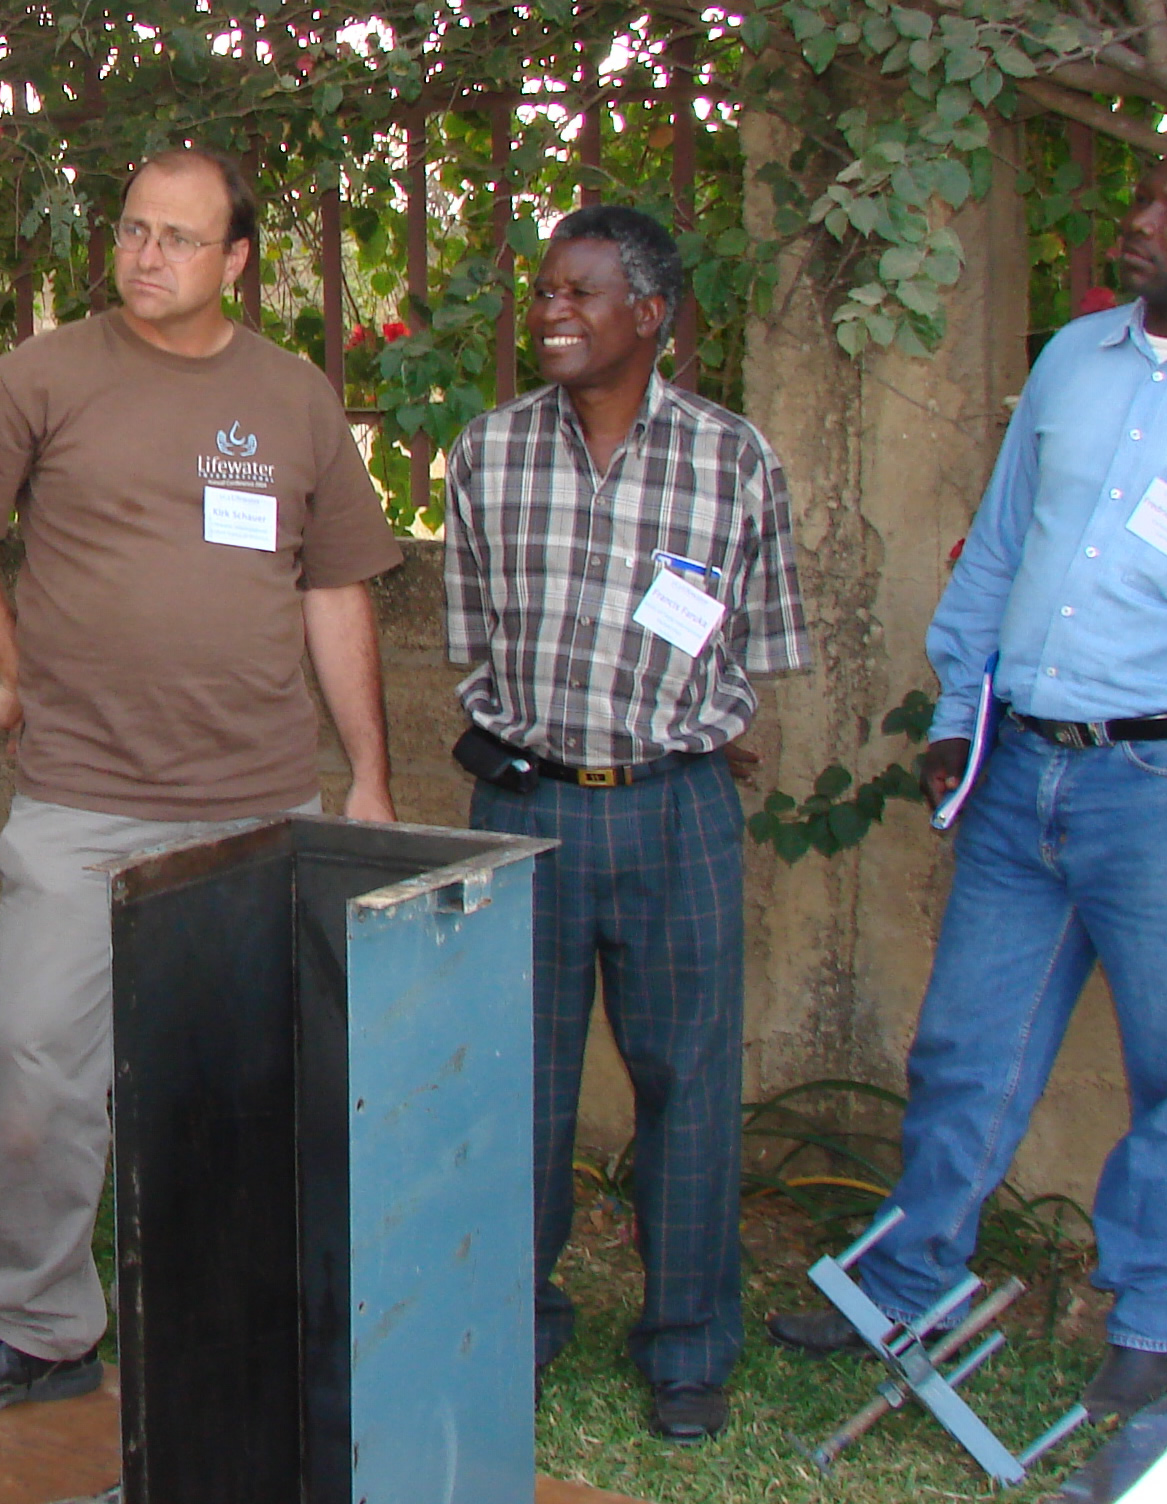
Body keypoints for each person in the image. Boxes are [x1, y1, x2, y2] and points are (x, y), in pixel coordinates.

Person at [769, 143, 1167, 1424]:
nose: (1140, 221)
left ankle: (1156, 1314)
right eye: (1144, 196)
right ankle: (907, 1281)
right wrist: (961, 708)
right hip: (1024, 771)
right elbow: (1002, 545)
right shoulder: (1074, 360)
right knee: (964, 1045)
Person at [0, 147, 403, 1420]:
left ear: (236, 261)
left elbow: (332, 587)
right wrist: (13, 662)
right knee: (38, 1071)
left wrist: (369, 782)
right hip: (80, 801)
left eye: (178, 239)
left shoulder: (292, 400)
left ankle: (238, 1321)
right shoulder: (47, 374)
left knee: (245, 1083)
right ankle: (46, 1328)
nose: (144, 256)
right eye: (131, 230)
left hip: (257, 804)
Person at [445, 205, 811, 1443]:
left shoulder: (731, 460)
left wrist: (677, 737)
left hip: (673, 816)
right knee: (515, 1088)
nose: (549, 310)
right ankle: (513, 1321)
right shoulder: (484, 455)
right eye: (543, 291)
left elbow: (758, 645)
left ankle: (688, 1346)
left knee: (689, 1089)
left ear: (648, 316)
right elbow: (471, 637)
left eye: (580, 293)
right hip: (524, 805)